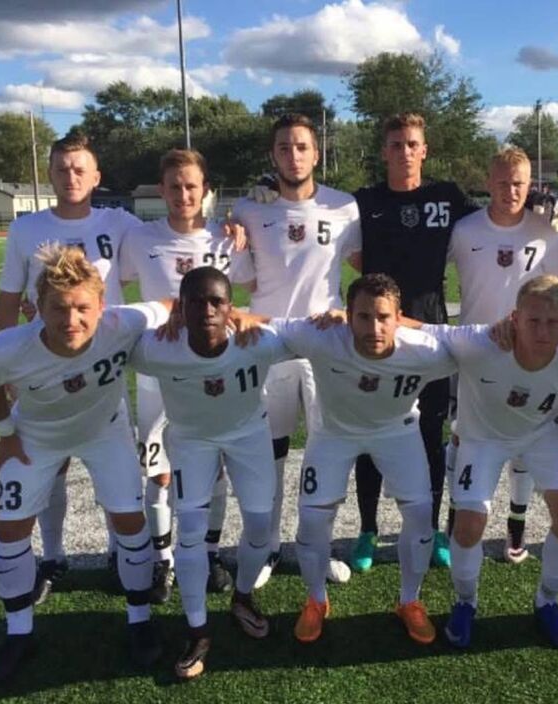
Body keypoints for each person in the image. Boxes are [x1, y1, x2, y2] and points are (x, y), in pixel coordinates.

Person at [0, 245, 171, 685]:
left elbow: (173, 305)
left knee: (130, 522)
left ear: (103, 306)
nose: (71, 320)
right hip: (36, 437)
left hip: (105, 429)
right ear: (37, 308)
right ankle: (19, 632)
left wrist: (238, 319)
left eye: (83, 308)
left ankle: (139, 618)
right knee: (10, 529)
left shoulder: (125, 322)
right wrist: (6, 431)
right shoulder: (8, 349)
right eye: (58, 308)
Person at [257, 274, 456, 645]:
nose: (374, 327)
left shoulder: (425, 349)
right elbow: (266, 325)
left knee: (419, 514)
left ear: (400, 318)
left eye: (384, 317)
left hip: (398, 431)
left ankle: (409, 601)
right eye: (363, 317)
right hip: (333, 433)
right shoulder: (322, 336)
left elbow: (476, 341)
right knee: (313, 520)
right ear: (346, 315)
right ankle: (316, 599)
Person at [0, 134, 141, 603]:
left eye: (80, 169)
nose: (71, 176)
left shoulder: (119, 222)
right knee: (49, 468)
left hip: (104, 371)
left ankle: (121, 553)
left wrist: (244, 212)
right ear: (51, 174)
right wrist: (10, 369)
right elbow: (9, 302)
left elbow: (179, 231)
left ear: (96, 176)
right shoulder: (25, 230)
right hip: (43, 369)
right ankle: (54, 557)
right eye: (62, 168)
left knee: (114, 469)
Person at [130, 267, 287, 679]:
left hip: (249, 434)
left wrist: (267, 319)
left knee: (258, 523)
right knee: (192, 531)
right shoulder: (156, 347)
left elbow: (317, 330)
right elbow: (104, 337)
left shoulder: (258, 340)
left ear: (231, 308)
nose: (207, 310)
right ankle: (197, 629)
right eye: (196, 302)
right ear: (180, 309)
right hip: (192, 441)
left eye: (217, 301)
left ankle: (244, 596)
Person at [421, 276, 558, 649]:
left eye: (551, 322)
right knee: (468, 524)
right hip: (481, 438)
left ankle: (548, 599)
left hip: (541, 435)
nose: (542, 330)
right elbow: (426, 329)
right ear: (515, 318)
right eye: (533, 320)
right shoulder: (481, 343)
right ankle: (466, 601)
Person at [232, 113, 361, 588]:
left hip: (323, 345)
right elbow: (239, 273)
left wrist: (352, 311)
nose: (293, 155)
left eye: (301, 146)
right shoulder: (250, 208)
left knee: (326, 451)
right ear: (273, 156)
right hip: (266, 342)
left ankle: (318, 547)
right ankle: (265, 546)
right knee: (268, 453)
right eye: (284, 147)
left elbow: (368, 268)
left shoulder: (345, 207)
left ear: (316, 153)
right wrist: (234, 219)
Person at [121, 148, 254, 602]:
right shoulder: (139, 238)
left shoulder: (226, 239)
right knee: (157, 472)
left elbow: (249, 295)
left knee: (213, 466)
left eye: (191, 186)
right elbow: (106, 284)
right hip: (159, 372)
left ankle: (212, 552)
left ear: (205, 190)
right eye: (174, 186)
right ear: (162, 190)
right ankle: (163, 562)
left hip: (211, 371)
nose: (183, 194)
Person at [350, 112, 477, 572]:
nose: (404, 151)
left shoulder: (447, 197)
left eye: (412, 143)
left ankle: (435, 530)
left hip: (430, 334)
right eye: (396, 143)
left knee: (431, 436)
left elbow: (499, 218)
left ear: (425, 151)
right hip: (376, 338)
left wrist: (542, 202)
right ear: (384, 151)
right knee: (370, 434)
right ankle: (367, 530)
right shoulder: (364, 201)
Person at [447, 147, 558, 563]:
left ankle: (516, 522)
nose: (510, 190)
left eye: (518, 183)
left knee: (524, 436)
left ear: (529, 184)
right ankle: (457, 512)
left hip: (528, 352)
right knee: (463, 435)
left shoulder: (546, 234)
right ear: (487, 182)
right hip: (476, 353)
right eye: (502, 182)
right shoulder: (464, 231)